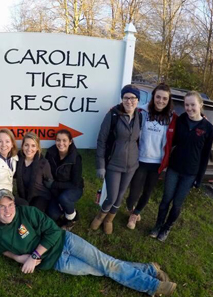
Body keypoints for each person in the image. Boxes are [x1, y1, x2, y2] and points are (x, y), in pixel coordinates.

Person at [0, 189, 177, 297]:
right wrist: (18, 257)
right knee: (102, 269)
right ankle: (149, 269)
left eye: (10, 205)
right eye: (2, 206)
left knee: (107, 264)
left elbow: (52, 231)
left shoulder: (27, 212)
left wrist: (34, 255)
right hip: (57, 262)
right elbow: (3, 251)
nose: (8, 210)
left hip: (65, 241)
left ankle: (153, 286)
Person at [150, 91, 213, 242]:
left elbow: (205, 155)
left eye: (193, 105)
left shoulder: (208, 128)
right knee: (166, 199)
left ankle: (166, 228)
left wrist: (199, 178)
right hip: (174, 168)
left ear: (200, 105)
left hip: (190, 173)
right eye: (186, 105)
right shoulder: (181, 119)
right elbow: (171, 138)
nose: (189, 108)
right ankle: (158, 225)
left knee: (177, 203)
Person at [125, 84, 177, 230]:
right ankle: (131, 208)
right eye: (158, 97)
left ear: (168, 100)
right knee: (133, 193)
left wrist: (201, 117)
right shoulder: (142, 111)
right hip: (140, 159)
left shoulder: (172, 117)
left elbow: (189, 121)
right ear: (153, 97)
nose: (161, 101)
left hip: (157, 162)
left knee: (147, 192)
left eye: (164, 98)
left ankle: (135, 215)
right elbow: (125, 108)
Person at [91, 84, 141, 234]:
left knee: (120, 196)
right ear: (122, 99)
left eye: (133, 98)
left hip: (131, 165)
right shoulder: (113, 115)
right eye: (126, 97)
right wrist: (101, 164)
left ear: (137, 100)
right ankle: (100, 217)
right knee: (112, 196)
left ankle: (109, 220)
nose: (129, 101)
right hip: (113, 163)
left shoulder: (141, 115)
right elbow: (101, 140)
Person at [45, 129, 84, 230]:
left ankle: (71, 219)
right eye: (58, 140)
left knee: (64, 198)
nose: (61, 143)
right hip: (56, 189)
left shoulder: (76, 158)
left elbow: (74, 183)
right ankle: (68, 209)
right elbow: (47, 173)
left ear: (70, 142)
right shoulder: (50, 153)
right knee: (52, 214)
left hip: (74, 188)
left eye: (64, 140)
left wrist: (54, 185)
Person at [16, 132, 54, 213]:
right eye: (26, 145)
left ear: (37, 148)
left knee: (31, 214)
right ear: (22, 146)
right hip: (23, 195)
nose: (29, 149)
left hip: (40, 195)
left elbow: (49, 181)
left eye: (33, 145)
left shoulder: (43, 163)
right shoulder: (17, 160)